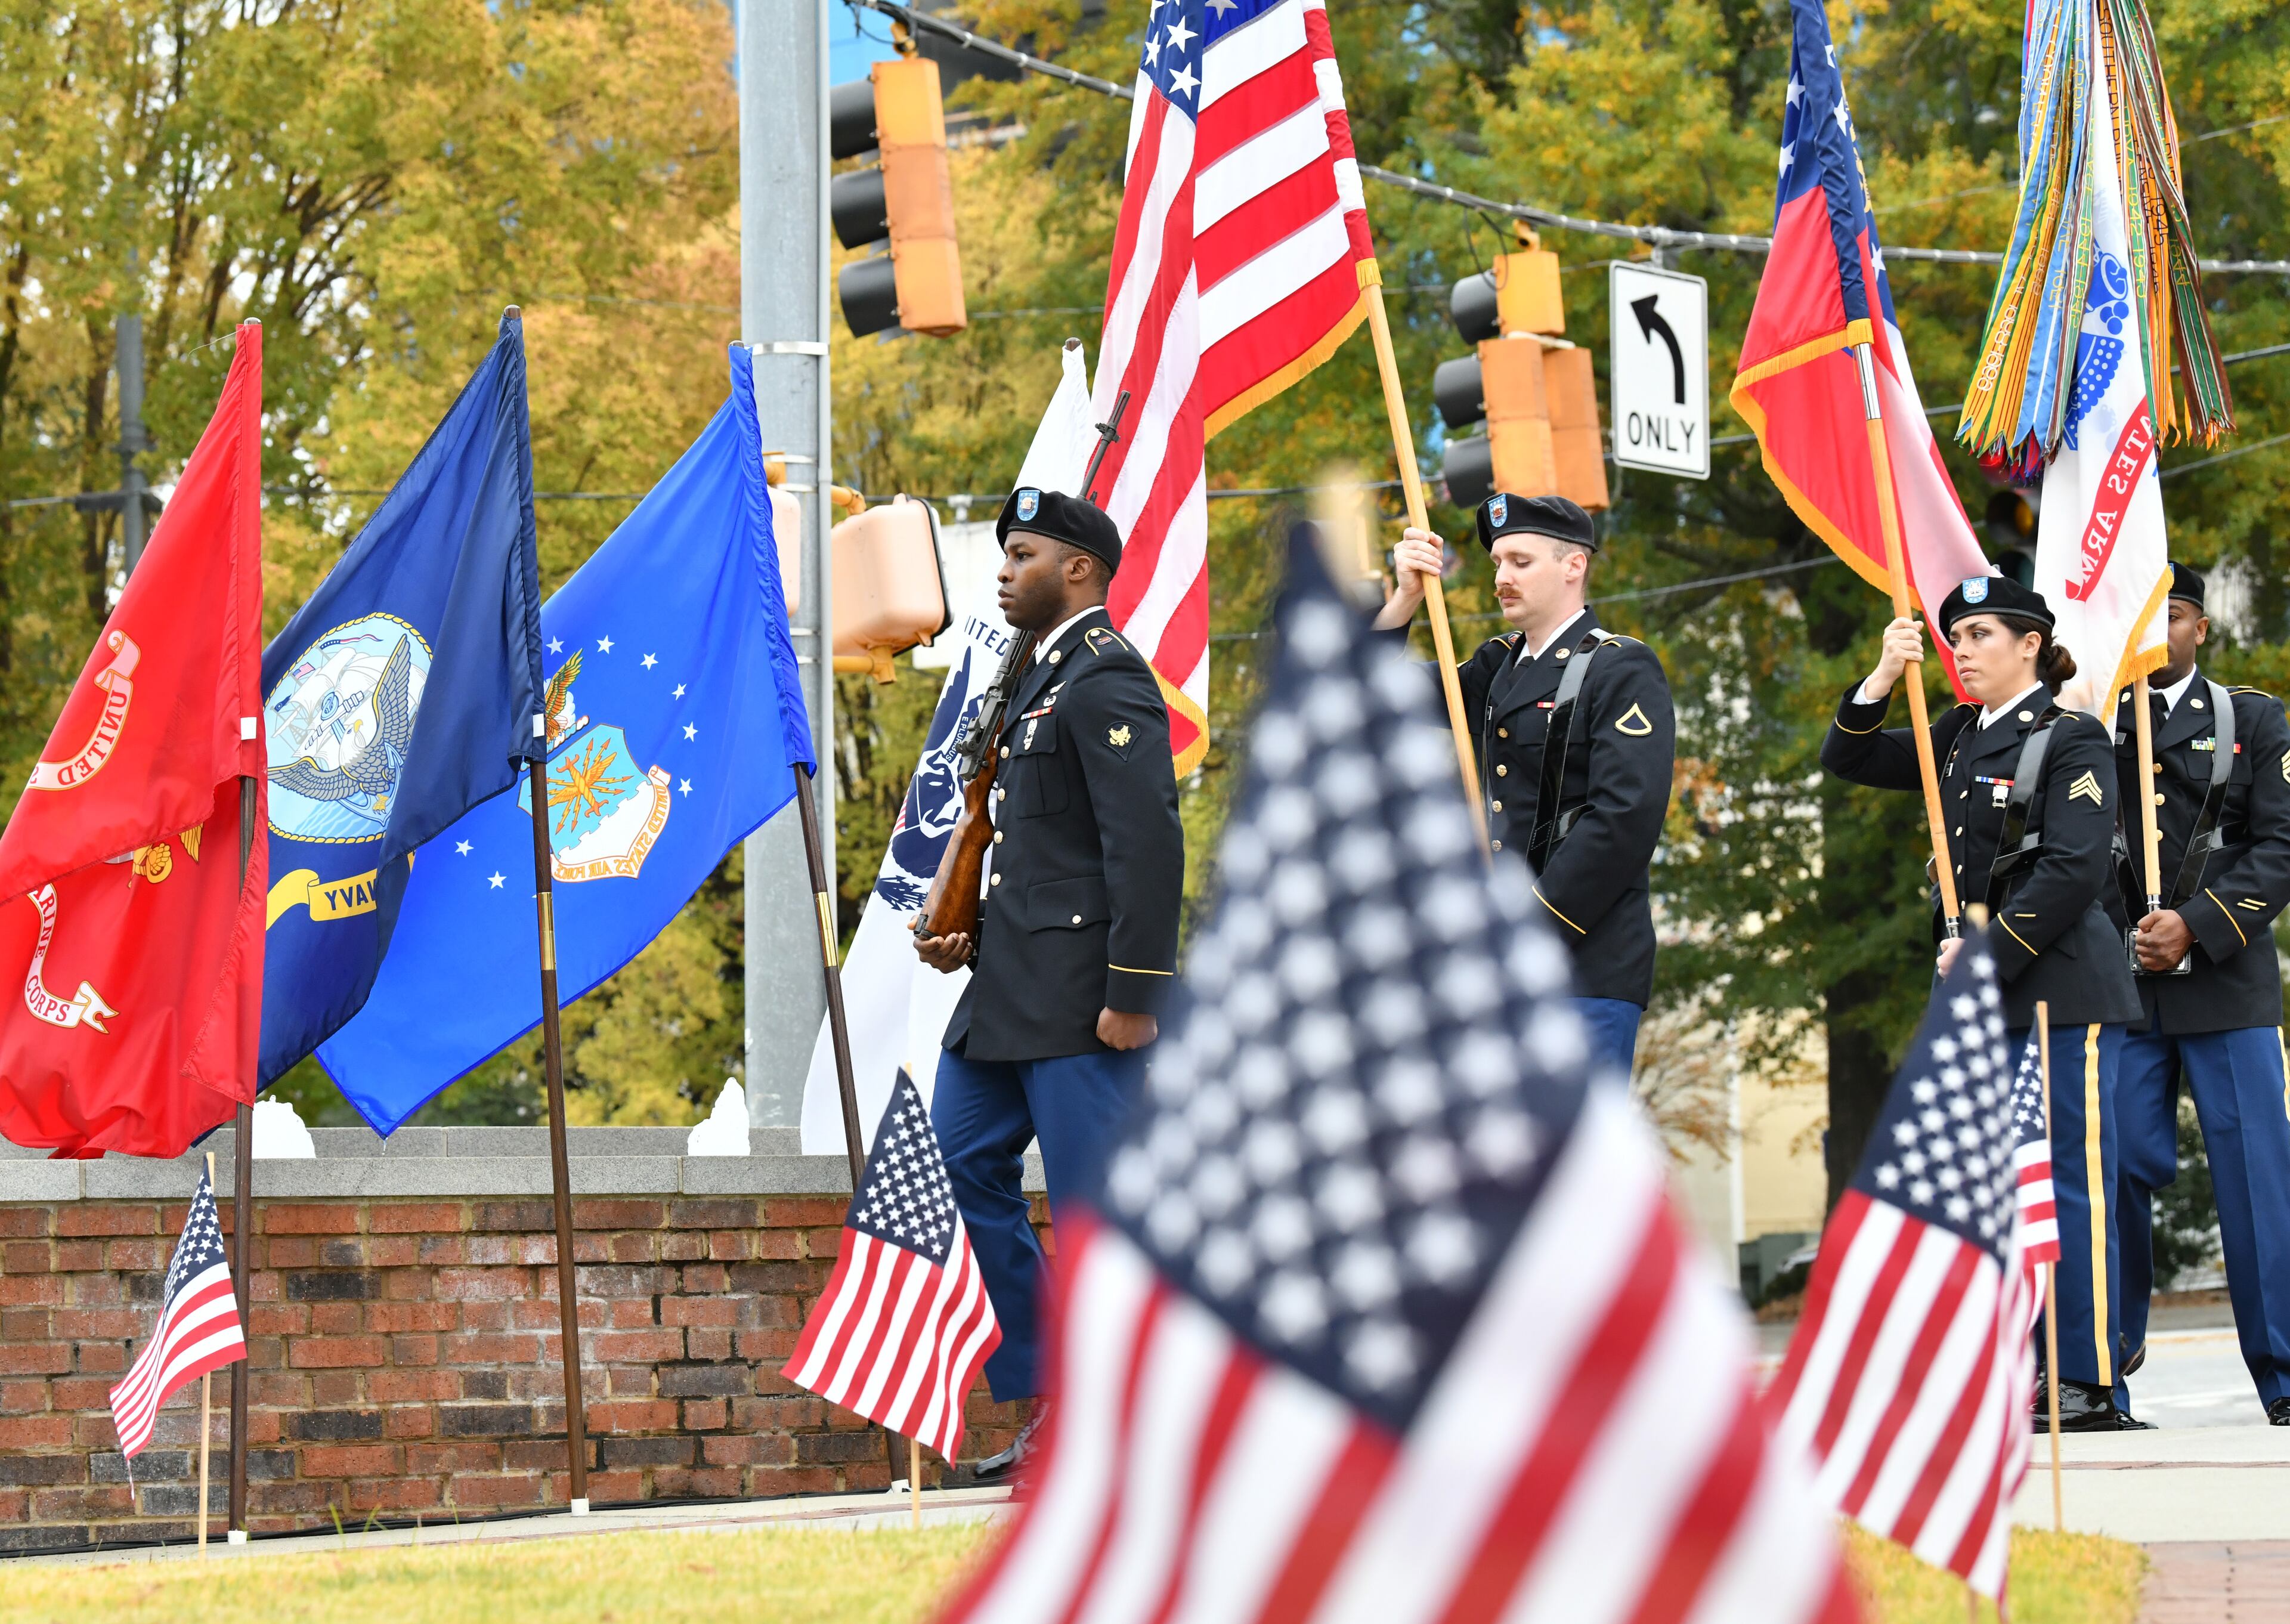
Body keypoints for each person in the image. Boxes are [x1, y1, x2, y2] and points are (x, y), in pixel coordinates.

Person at [1822, 577, 2142, 1431]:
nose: (1958, 647)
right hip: (1982, 1001)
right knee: (1996, 1186)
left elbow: (2075, 868)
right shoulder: (1959, 735)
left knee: (2067, 1184)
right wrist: (1885, 675)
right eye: (1953, 633)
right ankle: (2022, 1368)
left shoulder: (2072, 736)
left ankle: (2087, 1376)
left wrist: (1986, 952)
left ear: (2030, 644)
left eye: (1979, 633)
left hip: (2058, 990)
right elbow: (1846, 756)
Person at [912, 485, 1183, 1480]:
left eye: (1021, 554)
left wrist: (1137, 990)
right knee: (958, 1162)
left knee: (1094, 1212)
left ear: (1079, 569)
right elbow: (1030, 851)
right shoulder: (1030, 679)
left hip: (1084, 1000)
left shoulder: (1106, 678)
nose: (1002, 570)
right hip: (1005, 992)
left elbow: (1146, 844)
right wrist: (965, 934)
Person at [1375, 493, 1675, 1077]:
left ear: (1573, 565)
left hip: (1583, 971)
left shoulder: (1621, 668)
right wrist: (1406, 595)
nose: (1502, 578)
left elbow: (1624, 819)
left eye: (1520, 561)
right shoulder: (1498, 668)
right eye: (1497, 564)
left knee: (1576, 1164)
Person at [2107, 562, 2290, 1425]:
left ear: (2200, 628)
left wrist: (2200, 923)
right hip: (2121, 991)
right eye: (2139, 614)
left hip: (2227, 980)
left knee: (2258, 1181)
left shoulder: (2251, 719)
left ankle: (2283, 1367)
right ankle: (2102, 1356)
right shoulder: (2085, 729)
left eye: (2171, 614)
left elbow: (2280, 846)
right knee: (2112, 1167)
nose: (2157, 630)